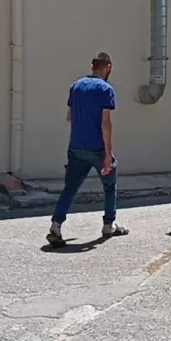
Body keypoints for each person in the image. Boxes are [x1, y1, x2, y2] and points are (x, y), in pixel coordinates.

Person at [48, 52, 129, 247]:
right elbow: (105, 123)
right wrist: (108, 154)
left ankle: (56, 224)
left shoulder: (76, 86)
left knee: (70, 188)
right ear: (108, 67)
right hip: (97, 148)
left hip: (76, 146)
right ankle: (109, 224)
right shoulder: (106, 89)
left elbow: (69, 117)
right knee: (109, 185)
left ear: (92, 66)